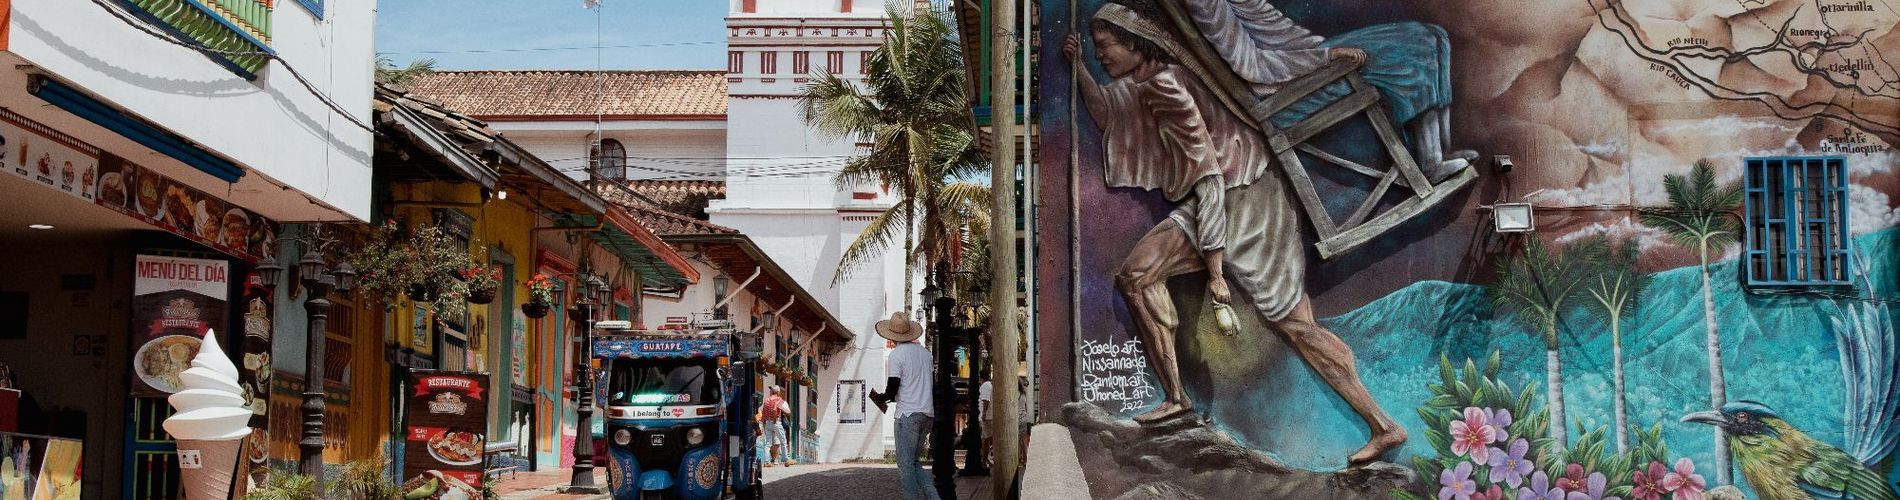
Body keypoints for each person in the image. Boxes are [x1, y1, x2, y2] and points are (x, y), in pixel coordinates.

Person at [1064, 1, 1408, 466]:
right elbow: (1110, 114)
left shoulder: (1166, 86)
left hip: (1242, 199)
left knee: (1291, 322)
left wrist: (1215, 270)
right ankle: (1178, 398)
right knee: (1140, 277)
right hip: (1238, 192)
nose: (1100, 54)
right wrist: (1081, 70)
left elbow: (1207, 176)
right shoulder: (1152, 82)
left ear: (1136, 44)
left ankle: (1382, 424)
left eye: (1105, 46)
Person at [869, 312, 941, 500]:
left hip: (907, 416)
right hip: (927, 414)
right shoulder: (925, 354)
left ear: (892, 335)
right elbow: (922, 385)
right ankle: (934, 497)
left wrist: (881, 397)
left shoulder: (897, 355)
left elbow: (893, 387)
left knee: (905, 464)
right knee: (914, 462)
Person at [755, 385, 794, 466]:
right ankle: (786, 460)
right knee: (783, 441)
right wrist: (783, 412)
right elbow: (788, 412)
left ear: (771, 392)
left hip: (767, 423)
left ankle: (766, 461)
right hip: (776, 422)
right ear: (778, 392)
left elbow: (763, 412)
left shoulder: (766, 401)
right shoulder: (780, 400)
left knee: (767, 443)